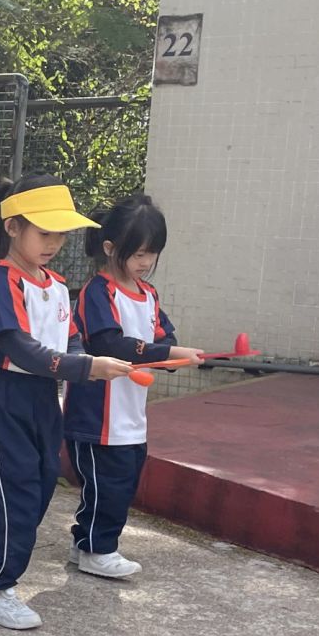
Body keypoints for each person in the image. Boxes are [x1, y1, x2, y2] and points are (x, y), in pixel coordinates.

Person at [0, 174, 130, 630]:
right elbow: (19, 348)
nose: (54, 243)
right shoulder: (0, 282)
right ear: (12, 227)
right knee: (18, 494)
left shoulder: (57, 285)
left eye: (60, 234)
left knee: (40, 487)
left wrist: (85, 362)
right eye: (44, 232)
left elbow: (70, 340)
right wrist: (85, 367)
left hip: (44, 396)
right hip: (1, 394)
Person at [63, 195, 198, 578]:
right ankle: (97, 549)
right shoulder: (97, 292)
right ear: (110, 248)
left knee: (123, 482)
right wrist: (167, 352)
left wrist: (175, 356)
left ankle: (86, 542)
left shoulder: (148, 294)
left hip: (131, 414)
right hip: (96, 416)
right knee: (107, 485)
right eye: (138, 254)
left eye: (152, 253)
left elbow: (163, 334)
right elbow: (109, 343)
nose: (146, 262)